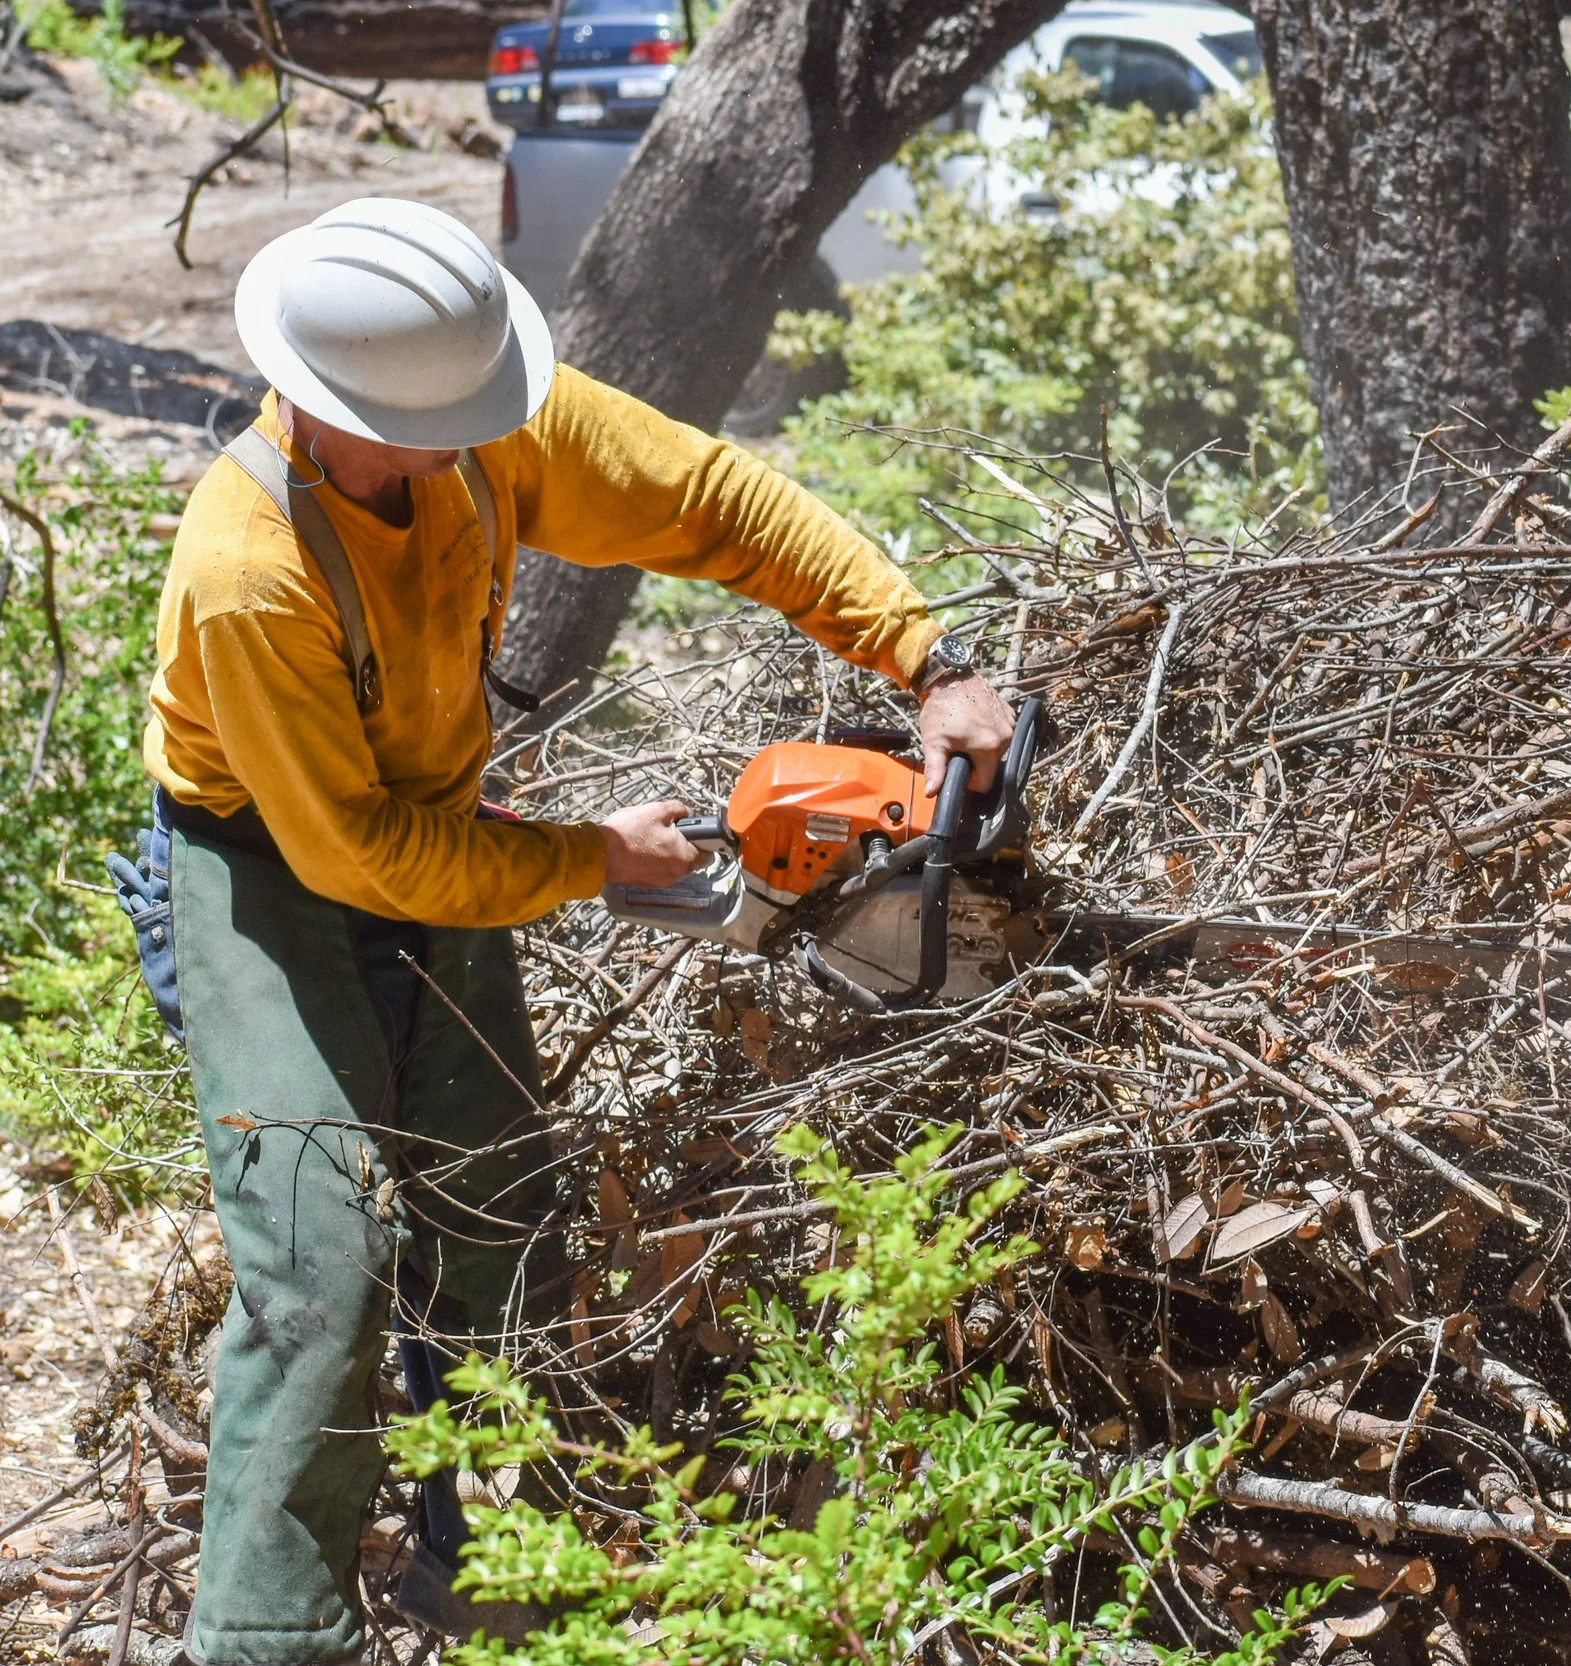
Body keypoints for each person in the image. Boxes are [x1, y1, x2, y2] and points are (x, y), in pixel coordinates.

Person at [143, 197, 1013, 1666]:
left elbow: (712, 496)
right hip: (263, 869)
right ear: (326, 402)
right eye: (440, 427)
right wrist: (586, 860)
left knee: (504, 1220)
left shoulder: (471, 425)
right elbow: (351, 849)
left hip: (437, 835)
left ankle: (511, 1576)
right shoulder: (251, 567)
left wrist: (926, 655)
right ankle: (263, 1637)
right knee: (324, 1262)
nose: (476, 442)